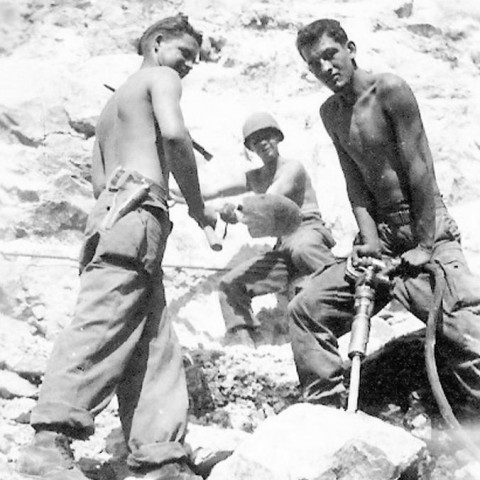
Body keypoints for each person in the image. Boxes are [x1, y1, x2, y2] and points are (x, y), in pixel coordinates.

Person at [17, 14, 216, 480]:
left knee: (152, 340)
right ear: (157, 42)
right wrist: (199, 208)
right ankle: (47, 444)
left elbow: (100, 181)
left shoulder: (112, 109)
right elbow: (174, 135)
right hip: (140, 213)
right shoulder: (159, 77)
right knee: (102, 322)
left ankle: (161, 458)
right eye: (184, 53)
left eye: (193, 60)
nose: (187, 66)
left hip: (113, 216)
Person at [289, 18, 480, 409]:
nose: (325, 68)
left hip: (426, 226)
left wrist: (426, 246)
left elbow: (420, 170)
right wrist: (370, 241)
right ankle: (324, 413)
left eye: (331, 55)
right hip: (384, 238)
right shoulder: (331, 113)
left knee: (465, 334)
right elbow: (354, 183)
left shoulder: (390, 90)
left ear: (351, 49)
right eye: (314, 64)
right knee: (306, 310)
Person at [197, 112, 336, 347]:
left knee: (304, 251)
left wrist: (237, 212)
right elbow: (212, 191)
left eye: (266, 136)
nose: (262, 143)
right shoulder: (255, 177)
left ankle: (349, 292)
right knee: (231, 285)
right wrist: (177, 192)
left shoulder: (293, 168)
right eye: (255, 140)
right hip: (284, 247)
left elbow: (272, 197)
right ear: (250, 148)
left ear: (277, 138)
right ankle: (244, 341)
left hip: (307, 231)